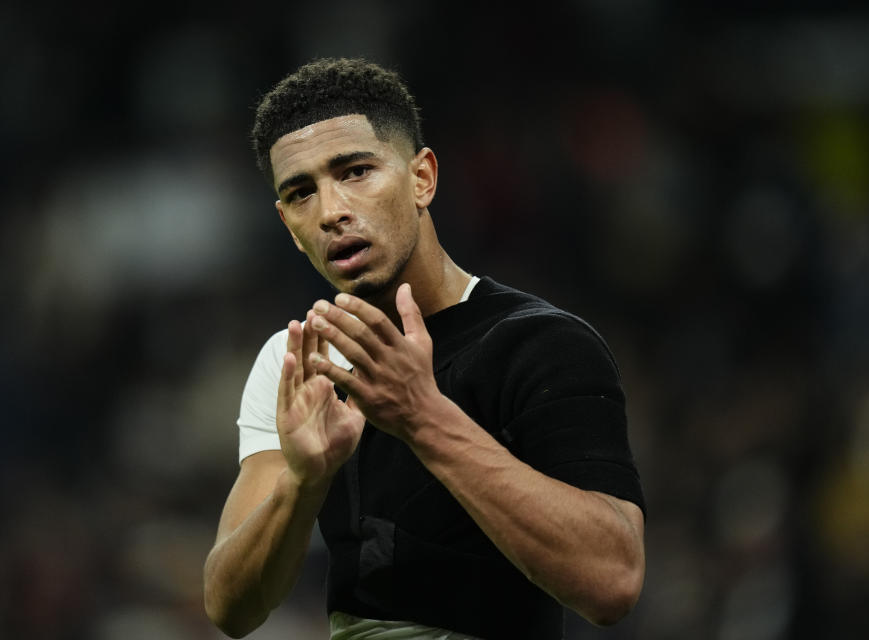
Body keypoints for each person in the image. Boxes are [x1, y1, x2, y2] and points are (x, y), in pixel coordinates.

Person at [203, 58, 646, 640]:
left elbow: (613, 581)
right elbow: (230, 610)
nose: (332, 210)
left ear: (422, 179)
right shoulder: (297, 360)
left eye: (356, 171)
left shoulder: (542, 344)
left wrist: (422, 415)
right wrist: (303, 482)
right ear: (288, 224)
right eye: (301, 192)